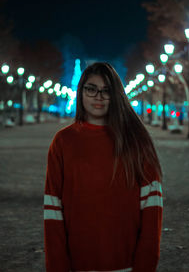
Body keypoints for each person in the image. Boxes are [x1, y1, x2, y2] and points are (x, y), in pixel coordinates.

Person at [44, 62, 163, 272]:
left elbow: (152, 211)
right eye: (91, 89)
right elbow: (53, 211)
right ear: (81, 92)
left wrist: (144, 266)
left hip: (126, 265)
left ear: (116, 95)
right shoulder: (63, 142)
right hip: (77, 265)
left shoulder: (136, 141)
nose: (98, 96)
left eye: (106, 90)